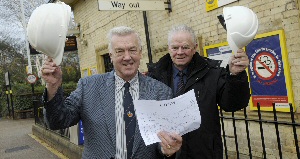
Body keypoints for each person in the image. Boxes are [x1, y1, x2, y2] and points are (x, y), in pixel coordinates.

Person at [41, 26, 182, 159]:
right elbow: (56, 121)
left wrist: (165, 148)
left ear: (140, 53)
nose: (127, 57)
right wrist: (53, 87)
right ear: (111, 56)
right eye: (120, 51)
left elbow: (162, 141)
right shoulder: (88, 86)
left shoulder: (161, 92)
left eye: (132, 50)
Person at [147, 25, 251, 159]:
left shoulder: (212, 72)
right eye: (175, 48)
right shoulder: (154, 76)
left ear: (195, 47)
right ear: (168, 48)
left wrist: (235, 76)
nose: (179, 52)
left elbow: (233, 104)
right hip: (166, 153)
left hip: (203, 153)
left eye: (185, 47)